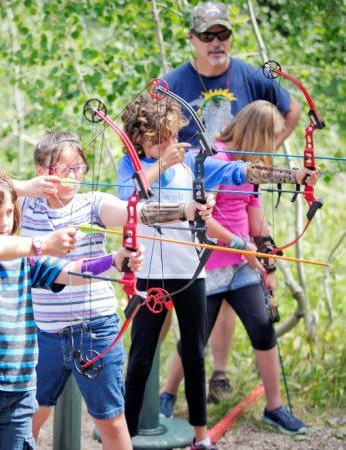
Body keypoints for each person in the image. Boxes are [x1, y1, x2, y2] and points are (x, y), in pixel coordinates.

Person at [118, 95, 318, 449]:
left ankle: (202, 438)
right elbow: (131, 205)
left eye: (170, 135)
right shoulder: (131, 167)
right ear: (139, 139)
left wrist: (294, 175)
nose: (167, 143)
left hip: (189, 273)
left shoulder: (190, 162)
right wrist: (183, 203)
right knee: (141, 357)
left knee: (195, 354)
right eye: (157, 138)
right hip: (148, 274)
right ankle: (126, 439)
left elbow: (240, 170)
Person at [16, 131, 214, 450]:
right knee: (28, 420)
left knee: (110, 421)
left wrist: (186, 211)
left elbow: (134, 212)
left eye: (79, 168)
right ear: (42, 171)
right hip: (46, 334)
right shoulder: (25, 206)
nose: (75, 176)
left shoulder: (93, 203)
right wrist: (26, 187)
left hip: (95, 331)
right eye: (65, 169)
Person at [0, 167, 144, 450]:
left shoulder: (23, 260)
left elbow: (70, 272)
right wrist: (42, 244)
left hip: (19, 390)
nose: (5, 222)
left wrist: (115, 261)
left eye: (9, 213)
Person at [160, 0, 302, 408]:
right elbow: (150, 134)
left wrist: (265, 252)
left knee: (256, 324)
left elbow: (254, 204)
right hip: (200, 237)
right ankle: (165, 394)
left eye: (222, 34)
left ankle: (268, 402)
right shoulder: (175, 85)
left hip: (236, 250)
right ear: (193, 40)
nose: (216, 42)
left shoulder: (250, 80)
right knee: (189, 329)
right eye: (207, 35)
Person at [161, 100, 307, 435]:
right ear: (256, 131)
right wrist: (243, 247)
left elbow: (255, 213)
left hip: (244, 267)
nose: (274, 142)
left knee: (263, 329)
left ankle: (275, 408)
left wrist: (266, 262)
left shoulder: (252, 163)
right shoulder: (215, 158)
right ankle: (167, 394)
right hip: (211, 264)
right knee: (194, 340)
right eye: (270, 135)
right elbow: (202, 216)